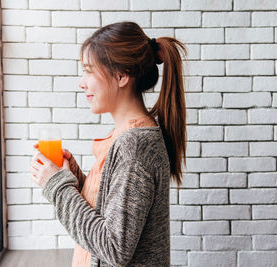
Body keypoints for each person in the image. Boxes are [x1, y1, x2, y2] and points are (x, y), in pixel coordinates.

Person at [29, 21, 188, 267]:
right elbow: (110, 212)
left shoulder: (134, 146)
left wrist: (58, 187)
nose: (82, 83)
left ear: (121, 76)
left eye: (89, 71)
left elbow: (114, 248)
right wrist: (75, 179)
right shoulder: (125, 137)